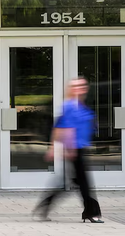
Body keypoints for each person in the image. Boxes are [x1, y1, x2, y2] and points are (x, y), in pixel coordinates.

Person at [33, 77, 103, 224]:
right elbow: (61, 128)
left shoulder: (82, 105)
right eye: (77, 86)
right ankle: (91, 212)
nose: (81, 88)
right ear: (71, 89)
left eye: (83, 85)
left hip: (81, 148)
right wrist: (58, 148)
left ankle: (45, 205)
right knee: (84, 183)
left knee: (74, 182)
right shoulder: (70, 106)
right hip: (74, 149)